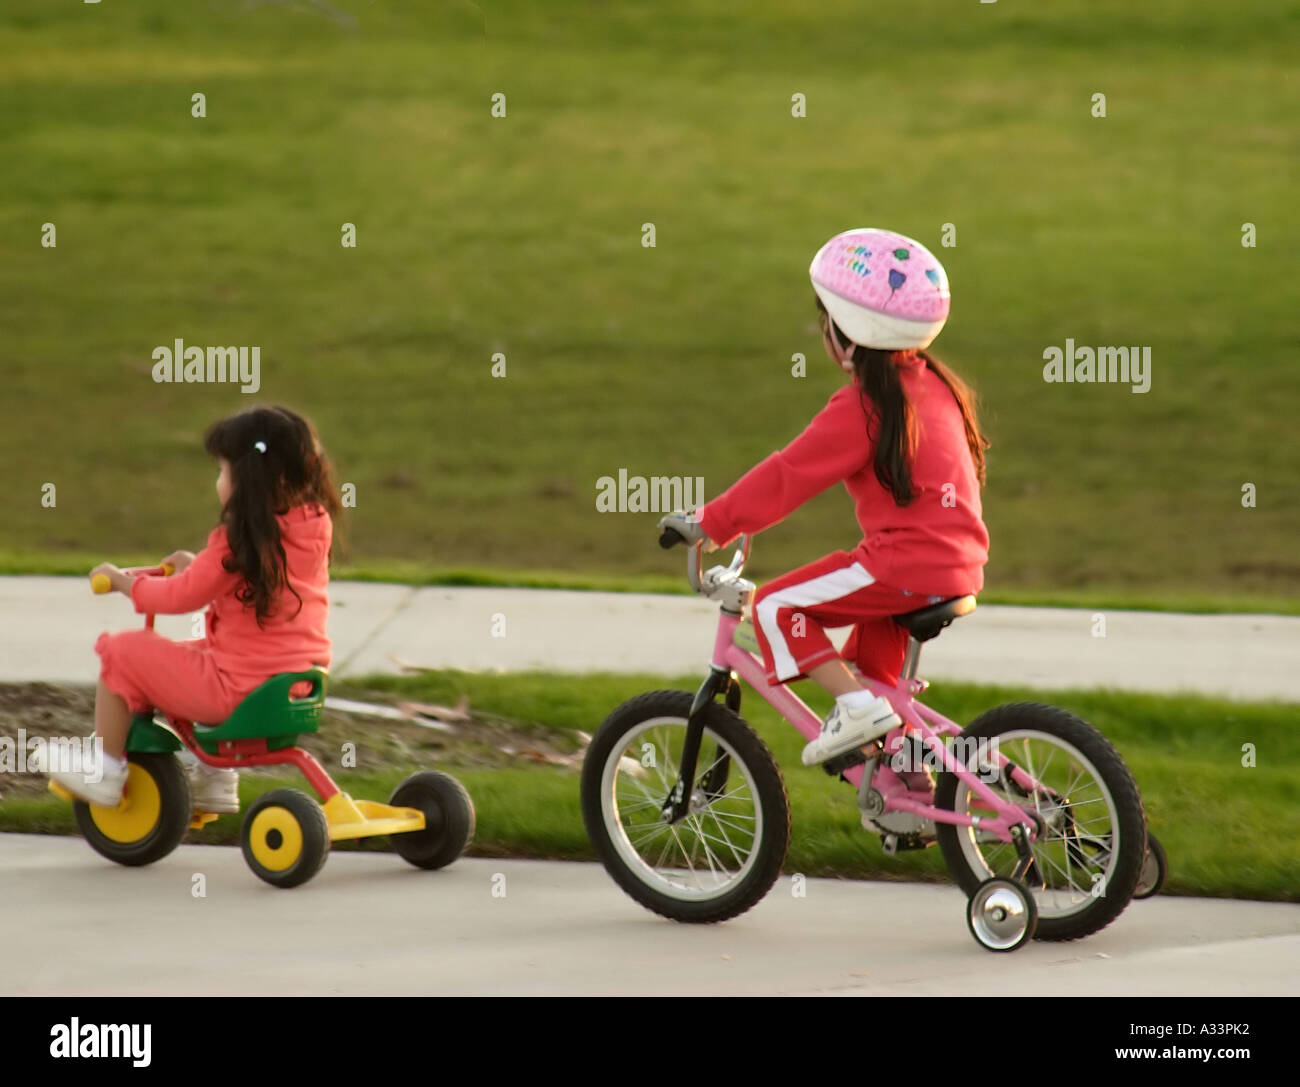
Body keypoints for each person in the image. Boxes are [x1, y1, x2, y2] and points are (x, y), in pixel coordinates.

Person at [662, 228, 989, 768]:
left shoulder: (866, 406)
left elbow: (788, 475)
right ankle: (905, 784)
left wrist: (710, 522)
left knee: (775, 606)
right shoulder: (932, 383)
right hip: (955, 563)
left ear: (848, 335)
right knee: (869, 675)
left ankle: (857, 710)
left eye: (826, 322)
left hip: (906, 564)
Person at [51, 405, 340, 809]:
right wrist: (199, 566)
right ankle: (215, 779)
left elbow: (180, 598)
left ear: (249, 480)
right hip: (293, 683)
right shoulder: (313, 525)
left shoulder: (237, 542)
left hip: (235, 692)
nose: (218, 481)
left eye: (222, 471)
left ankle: (104, 770)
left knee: (122, 652)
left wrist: (125, 583)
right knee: (197, 650)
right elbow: (249, 580)